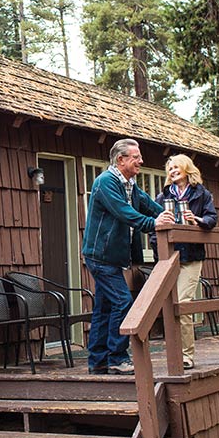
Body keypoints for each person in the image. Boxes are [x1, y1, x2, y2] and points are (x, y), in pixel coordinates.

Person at [82, 139, 174, 375]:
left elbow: (148, 205)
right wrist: (154, 224)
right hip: (100, 256)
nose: (141, 161)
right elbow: (126, 214)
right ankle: (117, 357)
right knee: (123, 302)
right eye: (136, 157)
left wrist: (173, 217)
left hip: (112, 257)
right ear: (121, 160)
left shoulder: (130, 184)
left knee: (104, 309)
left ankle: (98, 361)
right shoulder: (106, 183)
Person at [151, 154, 218, 370]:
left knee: (183, 304)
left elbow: (211, 219)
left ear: (187, 168)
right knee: (171, 305)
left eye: (176, 167)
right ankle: (175, 352)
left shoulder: (201, 194)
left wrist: (196, 220)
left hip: (191, 257)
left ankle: (187, 355)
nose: (172, 171)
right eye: (169, 169)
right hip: (170, 257)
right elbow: (154, 228)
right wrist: (158, 252)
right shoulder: (162, 197)